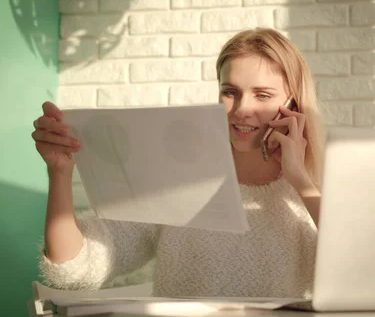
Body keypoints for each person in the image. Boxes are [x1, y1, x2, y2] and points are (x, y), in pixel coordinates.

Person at [31, 27, 325, 298]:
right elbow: (74, 267)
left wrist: (300, 179)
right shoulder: (179, 178)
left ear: (292, 106)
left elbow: (361, 271)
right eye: (230, 92)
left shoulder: (316, 192)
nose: (242, 109)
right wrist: (59, 173)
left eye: (263, 95)